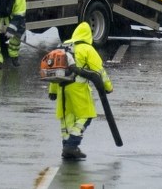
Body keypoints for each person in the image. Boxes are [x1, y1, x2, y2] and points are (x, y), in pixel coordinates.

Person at [48, 21, 113, 160]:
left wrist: (52, 90)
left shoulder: (62, 47)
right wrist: (107, 87)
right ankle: (72, 145)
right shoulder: (87, 49)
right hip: (78, 88)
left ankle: (66, 147)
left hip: (61, 87)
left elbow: (55, 70)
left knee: (67, 117)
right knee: (86, 116)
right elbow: (99, 71)